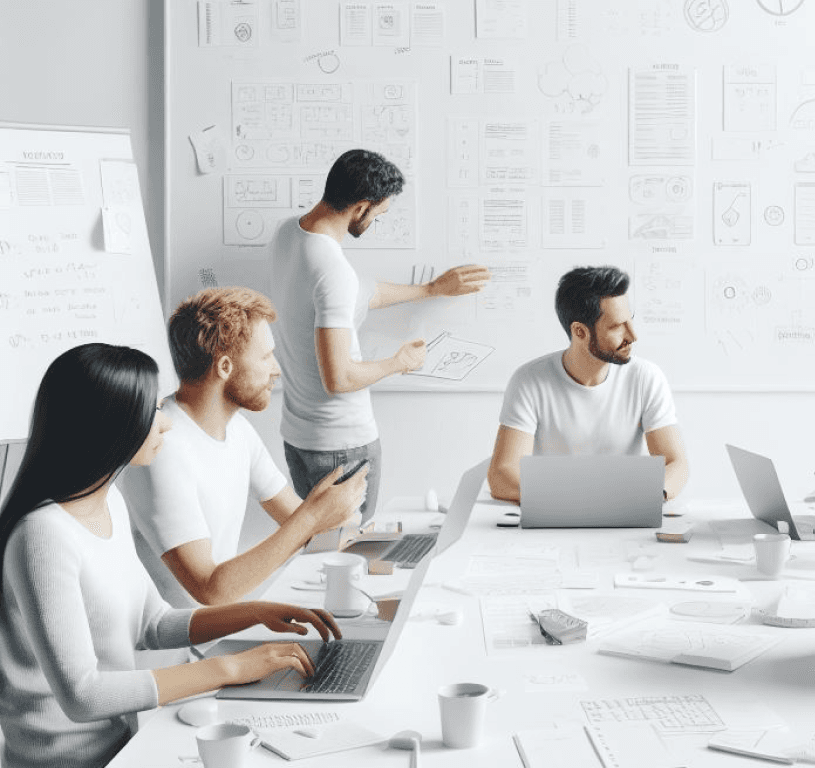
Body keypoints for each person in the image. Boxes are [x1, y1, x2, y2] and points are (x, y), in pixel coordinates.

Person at [0, 344, 342, 768]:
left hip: (122, 750)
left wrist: (256, 612)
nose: (165, 423)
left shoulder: (108, 504)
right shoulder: (42, 534)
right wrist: (231, 668)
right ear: (112, 424)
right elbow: (82, 696)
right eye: (152, 410)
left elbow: (153, 624)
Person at [269, 148, 490, 523]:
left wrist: (431, 289)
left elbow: (358, 292)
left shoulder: (290, 234)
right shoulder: (331, 269)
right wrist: (399, 363)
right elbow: (339, 378)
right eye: (379, 214)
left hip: (300, 437)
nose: (377, 221)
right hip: (342, 447)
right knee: (349, 556)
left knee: (320, 555)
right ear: (361, 208)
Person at [121, 287, 365, 607]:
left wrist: (360, 533)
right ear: (224, 367)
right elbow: (210, 590)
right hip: (180, 648)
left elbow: (304, 528)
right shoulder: (162, 448)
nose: (277, 369)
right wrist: (312, 516)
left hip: (219, 632)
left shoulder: (237, 430)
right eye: (266, 357)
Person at [488, 265, 688, 502]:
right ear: (580, 331)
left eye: (630, 321)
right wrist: (582, 498)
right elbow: (501, 475)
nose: (632, 336)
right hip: (554, 513)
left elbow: (676, 463)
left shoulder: (646, 377)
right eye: (616, 327)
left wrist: (651, 494)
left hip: (624, 511)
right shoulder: (529, 380)